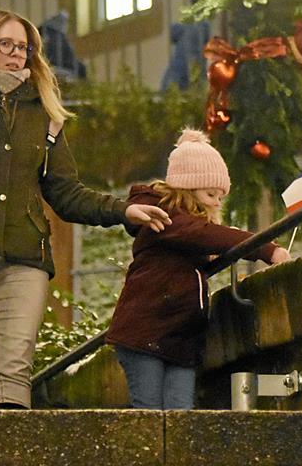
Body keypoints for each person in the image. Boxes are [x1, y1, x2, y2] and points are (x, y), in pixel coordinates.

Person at [0, 10, 171, 409]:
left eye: (24, 49)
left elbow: (64, 192)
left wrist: (124, 211)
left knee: (13, 378)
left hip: (23, 260)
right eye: (6, 45)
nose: (15, 55)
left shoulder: (44, 112)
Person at [106, 129, 289, 409]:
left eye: (221, 196)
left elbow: (204, 237)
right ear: (187, 190)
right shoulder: (164, 219)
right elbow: (207, 234)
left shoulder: (189, 231)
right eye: (210, 194)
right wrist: (268, 249)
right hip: (145, 333)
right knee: (150, 411)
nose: (217, 202)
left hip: (180, 338)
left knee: (181, 415)